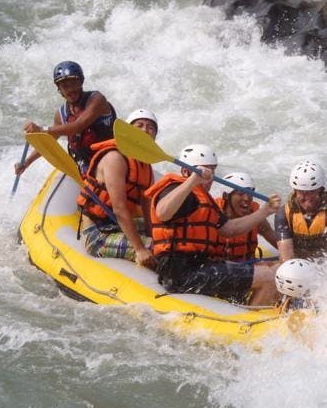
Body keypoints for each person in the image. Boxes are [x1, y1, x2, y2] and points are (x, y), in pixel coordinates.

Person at [145, 144, 282, 305]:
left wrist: (264, 211)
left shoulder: (205, 200)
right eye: (205, 169)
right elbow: (163, 212)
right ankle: (249, 322)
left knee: (271, 271)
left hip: (201, 267)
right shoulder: (175, 189)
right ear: (185, 171)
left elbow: (229, 229)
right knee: (270, 278)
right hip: (180, 273)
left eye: (212, 170)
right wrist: (193, 180)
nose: (210, 175)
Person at [77, 109, 158, 267]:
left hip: (118, 226)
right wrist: (140, 249)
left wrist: (154, 235)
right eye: (139, 125)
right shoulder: (115, 158)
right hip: (98, 233)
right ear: (127, 132)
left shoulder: (145, 165)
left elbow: (148, 210)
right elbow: (119, 209)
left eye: (150, 127)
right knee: (160, 251)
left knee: (169, 239)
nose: (145, 130)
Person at [16, 60, 116, 176]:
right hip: (85, 168)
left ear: (81, 82)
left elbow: (77, 127)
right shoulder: (61, 115)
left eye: (74, 83)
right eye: (65, 86)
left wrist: (41, 128)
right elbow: (49, 140)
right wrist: (27, 162)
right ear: (59, 89)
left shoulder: (97, 99)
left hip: (110, 161)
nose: (70, 89)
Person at [275, 160, 327, 263]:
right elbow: (286, 258)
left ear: (320, 190)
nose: (307, 198)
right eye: (301, 192)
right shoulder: (283, 214)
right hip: (299, 267)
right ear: (295, 191)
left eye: (311, 192)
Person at [213, 172, 277, 262]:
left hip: (246, 265)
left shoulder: (255, 215)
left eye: (250, 193)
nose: (247, 198)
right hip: (217, 268)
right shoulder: (212, 213)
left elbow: (275, 239)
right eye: (241, 194)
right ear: (226, 195)